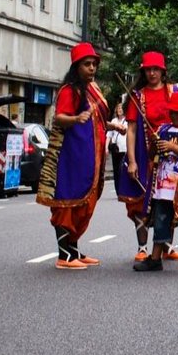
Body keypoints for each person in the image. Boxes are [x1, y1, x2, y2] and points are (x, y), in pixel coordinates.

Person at [36, 41, 109, 270]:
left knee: (84, 203)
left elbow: (95, 120)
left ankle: (74, 250)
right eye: (87, 64)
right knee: (68, 201)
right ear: (76, 66)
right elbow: (60, 117)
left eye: (94, 64)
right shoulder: (70, 90)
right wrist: (76, 119)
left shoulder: (92, 89)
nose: (92, 68)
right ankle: (64, 256)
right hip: (72, 156)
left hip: (91, 157)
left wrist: (113, 127)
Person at [117, 50, 178, 263]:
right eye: (148, 69)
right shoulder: (137, 97)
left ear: (163, 71)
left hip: (171, 156)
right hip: (144, 155)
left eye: (156, 69)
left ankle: (166, 247)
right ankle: (142, 248)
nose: (152, 73)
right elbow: (131, 130)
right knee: (140, 202)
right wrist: (132, 161)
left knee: (168, 200)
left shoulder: (174, 91)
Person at [133, 90, 178, 274]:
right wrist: (154, 144)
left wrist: (173, 147)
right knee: (160, 222)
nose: (174, 115)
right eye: (172, 111)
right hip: (161, 189)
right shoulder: (162, 130)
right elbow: (152, 155)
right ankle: (155, 258)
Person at [106, 101, 128, 184]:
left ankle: (123, 188)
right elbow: (109, 135)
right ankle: (118, 189)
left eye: (121, 108)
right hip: (116, 150)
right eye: (118, 108)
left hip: (125, 150)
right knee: (116, 172)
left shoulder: (127, 121)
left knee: (122, 170)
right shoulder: (114, 121)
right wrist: (106, 148)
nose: (120, 110)